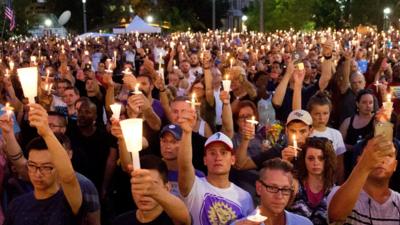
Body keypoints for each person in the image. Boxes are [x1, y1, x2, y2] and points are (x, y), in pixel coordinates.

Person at [3, 104, 83, 225]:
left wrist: (46, 132)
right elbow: (19, 161)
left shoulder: (68, 201)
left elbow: (68, 178)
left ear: (58, 168)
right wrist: (8, 134)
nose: (37, 173)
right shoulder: (17, 205)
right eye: (32, 166)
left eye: (46, 167)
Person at [177, 106, 254, 225]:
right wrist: (187, 133)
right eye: (212, 153)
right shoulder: (194, 186)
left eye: (223, 153)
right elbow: (184, 166)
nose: (218, 157)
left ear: (232, 159)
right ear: (205, 160)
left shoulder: (245, 197)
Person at [327, 136, 399, 224]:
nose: (381, 159)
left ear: (395, 165)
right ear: (359, 159)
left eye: (388, 155)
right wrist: (364, 165)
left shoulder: (398, 201)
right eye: (375, 153)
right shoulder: (339, 193)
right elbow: (335, 215)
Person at [112, 155, 191, 225]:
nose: (144, 193)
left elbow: (184, 216)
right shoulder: (120, 221)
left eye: (151, 185)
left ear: (167, 188)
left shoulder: (174, 219)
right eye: (139, 185)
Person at [231, 158, 312, 225]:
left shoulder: (304, 223)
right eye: (272, 188)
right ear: (259, 188)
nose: (279, 196)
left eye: (285, 189)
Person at [234, 109, 313, 170]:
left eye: (303, 131)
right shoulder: (277, 152)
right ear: (286, 130)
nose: (298, 136)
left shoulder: (318, 152)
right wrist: (245, 139)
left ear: (310, 131)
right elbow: (240, 165)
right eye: (293, 131)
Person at [288, 137, 337, 225]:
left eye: (321, 158)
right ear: (304, 160)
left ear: (328, 160)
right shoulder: (294, 185)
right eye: (310, 158)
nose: (315, 163)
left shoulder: (334, 191)